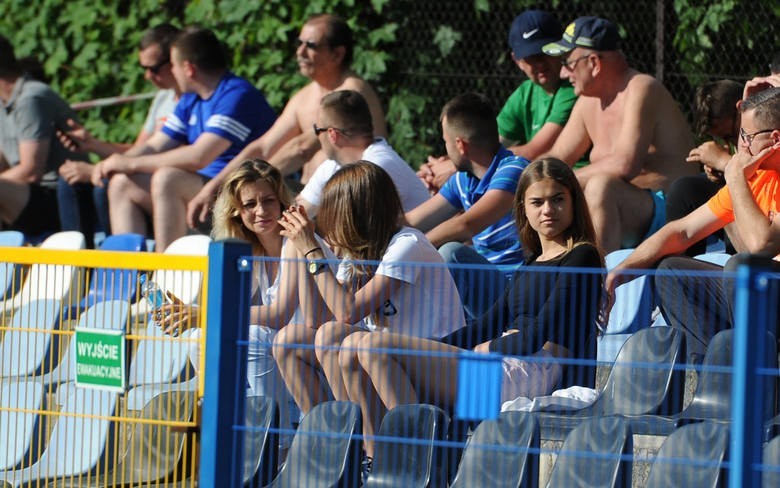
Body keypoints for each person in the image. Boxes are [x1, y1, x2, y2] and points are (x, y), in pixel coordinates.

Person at [354, 158, 602, 463]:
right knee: (359, 345)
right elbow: (486, 324)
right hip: (505, 366)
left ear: (574, 202)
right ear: (523, 207)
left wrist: (490, 347)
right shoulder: (531, 262)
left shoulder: (582, 256)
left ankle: (414, 466)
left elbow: (533, 338)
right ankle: (380, 458)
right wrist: (431, 348)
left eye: (558, 200)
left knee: (376, 347)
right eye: (537, 202)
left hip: (534, 374)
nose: (547, 210)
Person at [272, 161, 466, 463]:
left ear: (355, 217)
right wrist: (303, 251)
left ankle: (396, 459)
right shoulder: (358, 255)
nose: (329, 228)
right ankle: (338, 451)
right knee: (291, 342)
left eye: (333, 219)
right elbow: (318, 321)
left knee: (355, 343)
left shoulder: (408, 244)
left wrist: (314, 252)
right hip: (385, 357)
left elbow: (347, 312)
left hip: (445, 363)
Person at [160, 159, 333, 454]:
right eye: (250, 204)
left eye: (268, 200)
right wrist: (197, 316)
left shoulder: (294, 241)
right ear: (237, 212)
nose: (261, 211)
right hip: (287, 347)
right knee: (199, 342)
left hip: (318, 349)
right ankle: (225, 426)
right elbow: (231, 307)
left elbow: (279, 314)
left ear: (281, 202)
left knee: (253, 338)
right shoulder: (247, 247)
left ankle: (276, 442)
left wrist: (206, 315)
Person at [606, 87, 780, 364]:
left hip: (770, 291)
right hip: (759, 293)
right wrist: (622, 271)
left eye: (746, 136)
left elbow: (761, 245)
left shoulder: (742, 177)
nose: (740, 146)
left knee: (741, 268)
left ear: (774, 138)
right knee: (670, 270)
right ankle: (714, 376)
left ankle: (756, 377)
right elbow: (682, 231)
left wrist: (733, 176)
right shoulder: (755, 178)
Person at [186, 13, 387, 227]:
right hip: (309, 196)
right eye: (298, 43)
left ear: (337, 54)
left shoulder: (351, 92)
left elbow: (301, 148)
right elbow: (263, 147)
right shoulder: (303, 97)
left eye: (311, 45)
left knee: (319, 163)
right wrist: (217, 186)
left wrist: (251, 184)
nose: (300, 52)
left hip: (354, 202)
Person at [92, 26, 277, 252]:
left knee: (168, 178)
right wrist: (113, 163)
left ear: (188, 68)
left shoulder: (236, 95)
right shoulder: (191, 99)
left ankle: (165, 276)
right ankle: (126, 277)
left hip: (237, 191)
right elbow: (155, 145)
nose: (172, 71)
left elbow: (198, 156)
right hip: (203, 189)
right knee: (122, 182)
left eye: (173, 64)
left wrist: (128, 162)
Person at [541, 16, 698, 252]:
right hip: (627, 212)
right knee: (536, 193)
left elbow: (625, 164)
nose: (563, 73)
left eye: (568, 62)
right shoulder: (587, 101)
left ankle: (595, 285)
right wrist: (516, 181)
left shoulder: (642, 87)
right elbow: (556, 158)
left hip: (673, 216)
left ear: (593, 62)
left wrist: (560, 179)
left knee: (600, 186)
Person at [418, 9, 577, 193]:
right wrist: (438, 167)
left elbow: (535, 150)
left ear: (560, 50)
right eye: (530, 57)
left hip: (562, 186)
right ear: (516, 60)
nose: (540, 64)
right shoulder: (525, 92)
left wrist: (455, 166)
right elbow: (484, 143)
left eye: (545, 53)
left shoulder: (571, 89)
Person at [405, 92, 529, 319]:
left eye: (445, 141)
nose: (445, 148)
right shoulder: (463, 180)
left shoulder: (515, 170)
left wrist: (409, 251)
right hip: (486, 293)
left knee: (451, 254)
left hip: (518, 293)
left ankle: (459, 339)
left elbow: (467, 225)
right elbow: (413, 221)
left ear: (460, 145)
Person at [57, 23, 182, 243]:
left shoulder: (190, 101)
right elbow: (138, 149)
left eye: (152, 68)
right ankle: (80, 266)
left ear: (174, 60)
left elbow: (175, 157)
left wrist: (98, 169)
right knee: (69, 182)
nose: (147, 76)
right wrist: (93, 144)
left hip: (163, 185)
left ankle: (118, 260)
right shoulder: (163, 98)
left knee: (107, 184)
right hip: (144, 176)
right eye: (143, 68)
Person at [0, 34, 90, 238]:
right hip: (29, 194)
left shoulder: (30, 99)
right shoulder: (4, 102)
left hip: (60, 195)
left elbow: (31, 172)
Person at [297, 89, 429, 215]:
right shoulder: (334, 166)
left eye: (317, 129)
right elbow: (299, 212)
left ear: (332, 134)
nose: (317, 136)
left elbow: (361, 232)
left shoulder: (377, 167)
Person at [666, 79, 743, 256]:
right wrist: (718, 169)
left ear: (740, 109)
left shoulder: (765, 119)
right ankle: (680, 265)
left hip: (762, 198)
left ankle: (739, 267)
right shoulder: (734, 127)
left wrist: (724, 161)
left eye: (729, 136)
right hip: (736, 181)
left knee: (732, 197)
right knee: (684, 189)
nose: (726, 143)